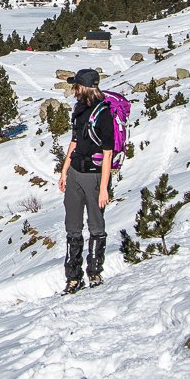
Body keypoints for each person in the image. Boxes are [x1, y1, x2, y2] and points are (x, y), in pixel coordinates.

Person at [57, 67, 114, 292]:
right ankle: (73, 277)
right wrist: (64, 171)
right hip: (75, 174)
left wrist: (103, 189)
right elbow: (74, 142)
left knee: (96, 226)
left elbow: (108, 153)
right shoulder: (79, 109)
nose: (73, 90)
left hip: (94, 175)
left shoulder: (104, 114)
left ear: (82, 88)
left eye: (75, 86)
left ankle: (95, 273)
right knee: (72, 226)